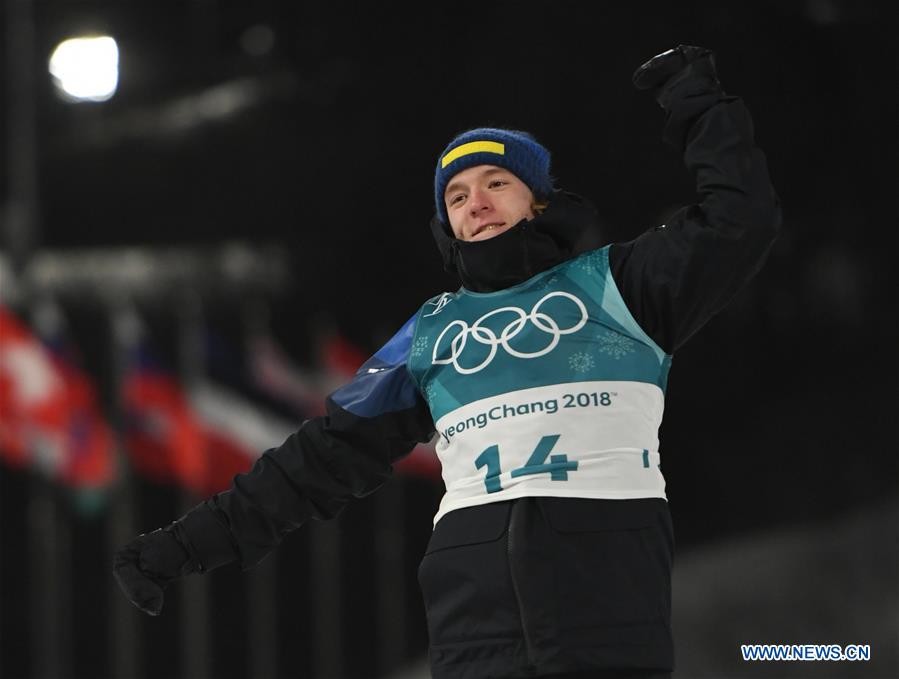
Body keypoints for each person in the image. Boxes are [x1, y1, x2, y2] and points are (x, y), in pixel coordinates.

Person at [114, 45, 781, 679]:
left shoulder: (619, 284)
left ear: (539, 202)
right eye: (457, 196)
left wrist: (700, 105)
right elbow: (314, 462)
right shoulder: (431, 330)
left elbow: (737, 222)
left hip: (601, 610)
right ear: (448, 225)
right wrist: (179, 547)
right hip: (473, 626)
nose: (476, 203)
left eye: (496, 182)